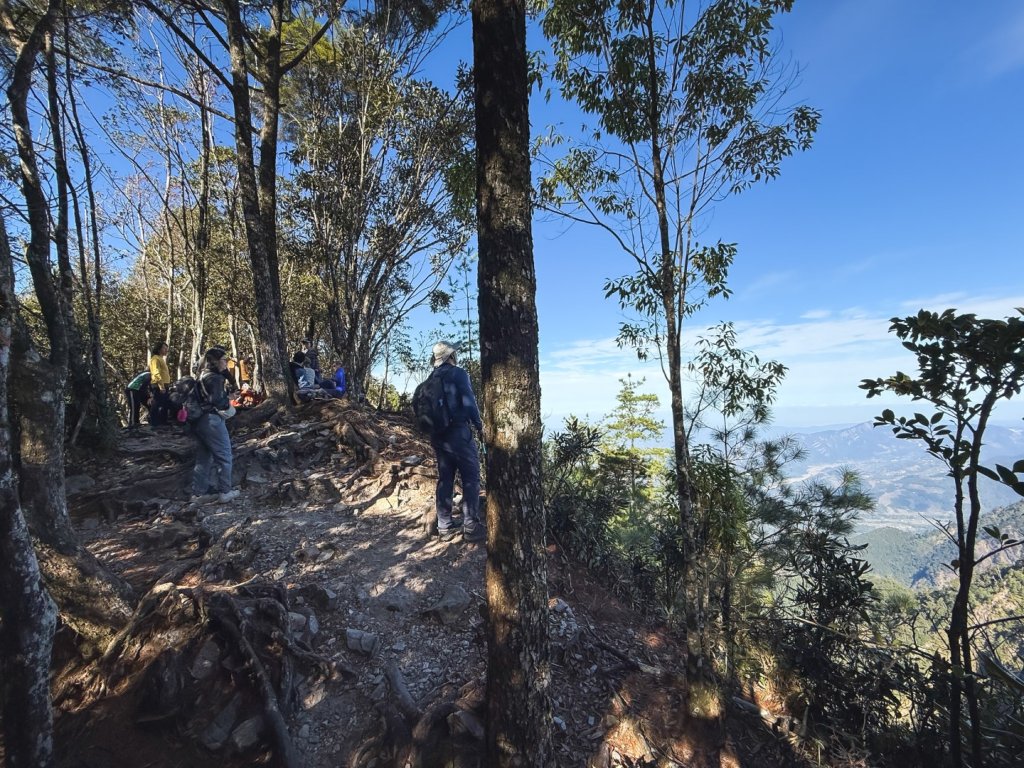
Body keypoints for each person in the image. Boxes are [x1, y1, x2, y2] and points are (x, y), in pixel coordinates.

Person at [428, 341, 484, 543]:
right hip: (459, 434)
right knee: (471, 477)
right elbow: (469, 402)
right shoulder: (458, 373)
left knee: (445, 479)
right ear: (451, 356)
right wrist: (479, 425)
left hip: (438, 436)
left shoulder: (432, 377)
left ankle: (444, 526)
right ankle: (470, 527)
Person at [190, 347, 240, 504]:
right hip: (212, 420)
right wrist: (229, 397)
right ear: (216, 361)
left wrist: (226, 374)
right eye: (224, 360)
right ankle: (225, 491)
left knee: (204, 457)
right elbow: (218, 401)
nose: (226, 362)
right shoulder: (215, 379)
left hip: (199, 420)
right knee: (224, 455)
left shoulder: (203, 374)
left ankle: (198, 493)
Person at [148, 341, 172, 426]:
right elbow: (156, 372)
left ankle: (163, 421)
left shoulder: (161, 359)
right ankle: (153, 422)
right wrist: (161, 386)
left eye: (167, 349)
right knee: (156, 403)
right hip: (158, 385)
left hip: (165, 384)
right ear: (159, 349)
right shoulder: (155, 359)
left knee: (165, 403)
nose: (166, 350)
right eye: (164, 348)